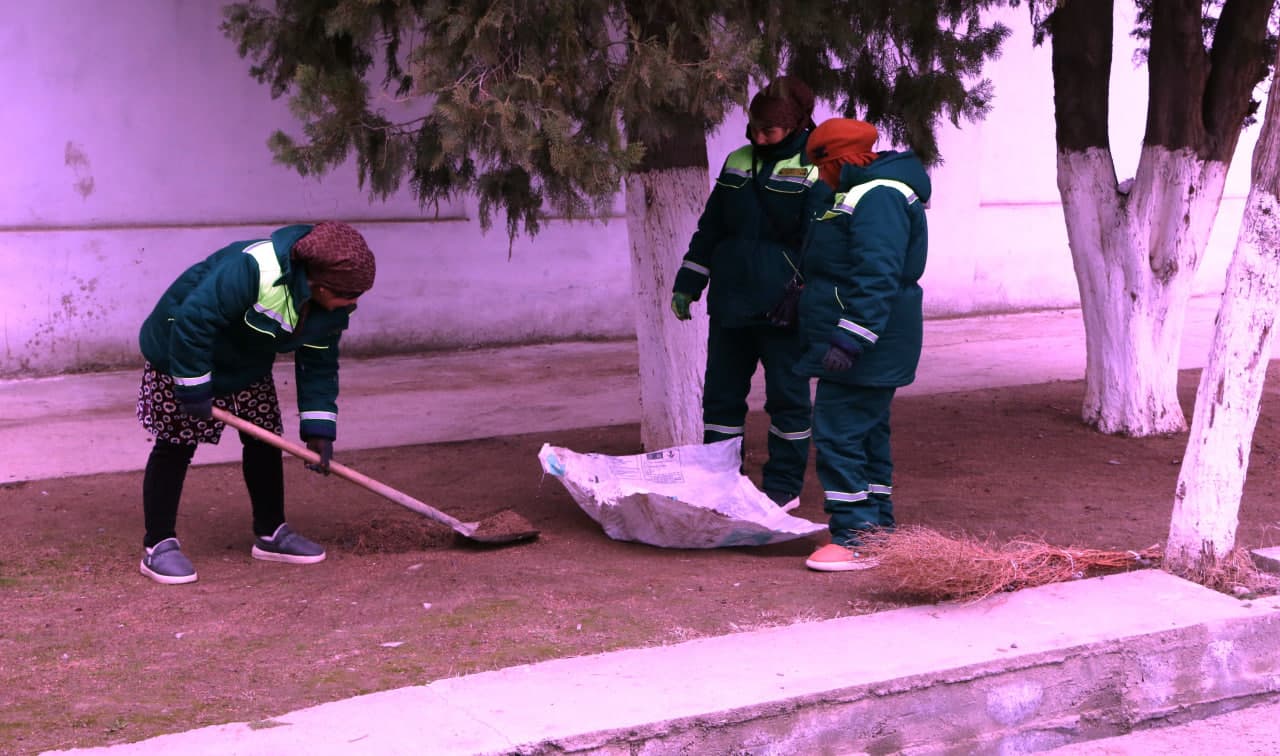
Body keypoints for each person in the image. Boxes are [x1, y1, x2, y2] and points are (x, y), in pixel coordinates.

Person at [135, 221, 376, 585]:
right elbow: (193, 321)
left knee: (264, 439)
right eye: (349, 295)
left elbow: (319, 365)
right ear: (320, 285)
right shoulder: (252, 269)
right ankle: (158, 545)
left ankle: (271, 533)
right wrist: (193, 386)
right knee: (176, 444)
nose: (354, 303)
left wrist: (319, 429)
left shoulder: (330, 307)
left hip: (245, 362)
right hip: (180, 352)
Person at [670, 76, 832, 509]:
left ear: (796, 124)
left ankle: (782, 490)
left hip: (785, 310)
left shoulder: (818, 167)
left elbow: (823, 244)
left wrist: (814, 297)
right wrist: (689, 282)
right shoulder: (738, 161)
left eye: (769, 130)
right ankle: (720, 486)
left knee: (788, 402)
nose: (759, 137)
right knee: (720, 401)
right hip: (731, 306)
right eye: (754, 128)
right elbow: (712, 228)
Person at [793, 118, 932, 571]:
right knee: (868, 435)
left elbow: (878, 275)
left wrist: (851, 339)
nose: (819, 177)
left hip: (869, 343)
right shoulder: (864, 191)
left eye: (821, 166)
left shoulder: (879, 197)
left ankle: (855, 537)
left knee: (837, 432)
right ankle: (878, 531)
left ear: (839, 160)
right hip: (872, 339)